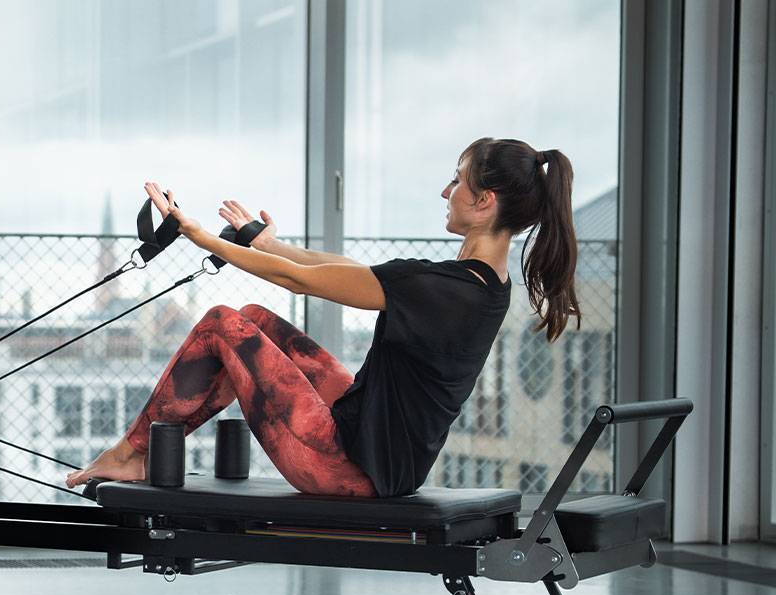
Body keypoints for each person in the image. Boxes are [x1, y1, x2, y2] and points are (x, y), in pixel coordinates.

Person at [65, 137, 579, 497]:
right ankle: (139, 452)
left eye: (457, 182)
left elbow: (302, 280)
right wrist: (268, 244)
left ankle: (132, 453)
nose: (446, 192)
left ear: (484, 201)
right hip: (379, 455)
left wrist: (197, 235)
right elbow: (347, 271)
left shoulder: (445, 289)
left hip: (348, 470)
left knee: (223, 322)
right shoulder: (477, 284)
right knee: (254, 319)